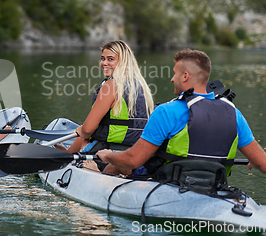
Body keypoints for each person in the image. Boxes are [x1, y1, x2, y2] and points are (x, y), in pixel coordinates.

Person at [96, 49, 266, 178]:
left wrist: (110, 156)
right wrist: (256, 162)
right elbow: (263, 163)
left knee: (117, 165)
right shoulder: (234, 114)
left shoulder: (166, 111)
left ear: (185, 76)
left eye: (174, 73)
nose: (171, 79)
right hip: (213, 184)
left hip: (170, 184)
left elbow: (133, 160)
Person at [58, 40, 154, 175]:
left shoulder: (111, 85)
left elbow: (87, 130)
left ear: (123, 62)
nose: (104, 63)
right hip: (134, 153)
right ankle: (69, 156)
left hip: (106, 153)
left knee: (85, 134)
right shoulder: (142, 87)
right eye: (102, 59)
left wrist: (82, 130)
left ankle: (74, 161)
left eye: (111, 59)